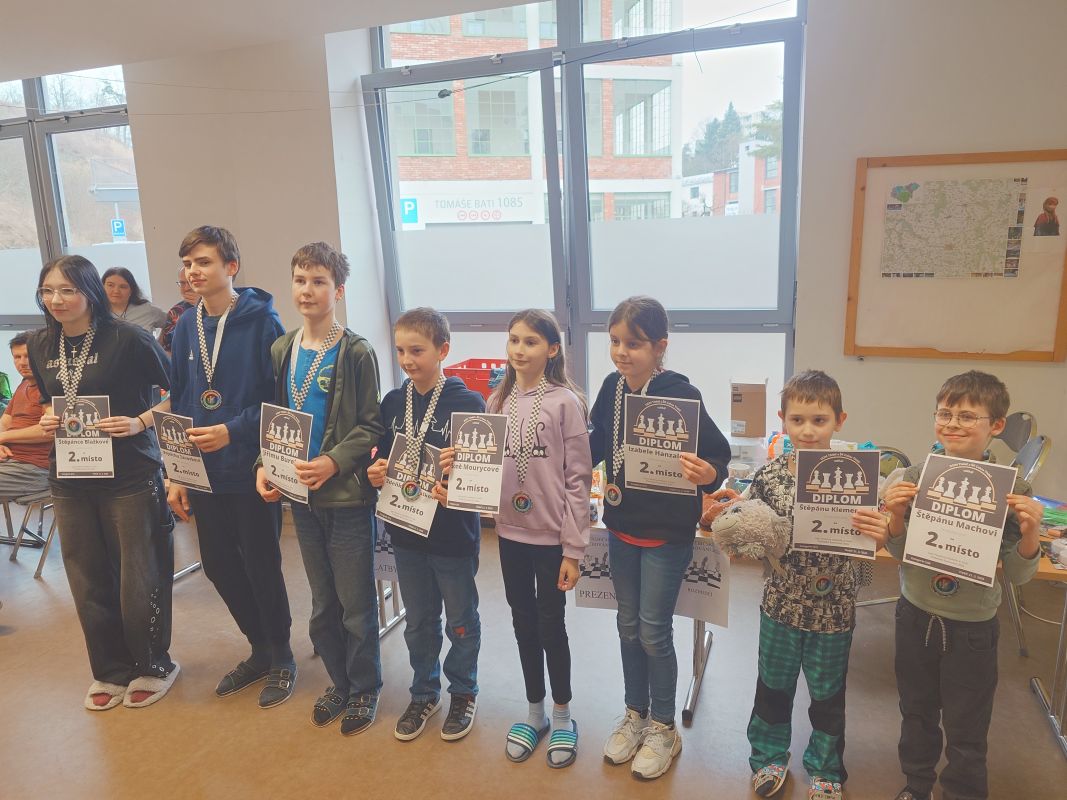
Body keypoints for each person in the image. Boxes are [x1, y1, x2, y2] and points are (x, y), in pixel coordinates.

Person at [872, 371, 1042, 800]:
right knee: (916, 713)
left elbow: (1018, 575)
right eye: (944, 414)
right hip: (914, 615)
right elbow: (899, 551)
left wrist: (1030, 534)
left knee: (968, 726)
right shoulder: (915, 475)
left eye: (967, 416)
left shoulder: (1012, 489)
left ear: (996, 425)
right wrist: (896, 516)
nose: (952, 424)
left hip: (973, 627)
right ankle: (917, 786)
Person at [440, 310, 591, 767]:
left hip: (552, 538)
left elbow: (578, 480)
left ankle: (562, 714)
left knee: (551, 624)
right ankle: (534, 711)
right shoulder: (497, 401)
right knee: (522, 622)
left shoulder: (566, 403)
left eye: (530, 341)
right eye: (513, 340)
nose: (518, 350)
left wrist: (573, 549)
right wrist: (458, 470)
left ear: (552, 349)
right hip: (510, 533)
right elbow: (485, 469)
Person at [588, 295, 730, 780]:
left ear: (660, 346)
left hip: (667, 536)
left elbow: (718, 456)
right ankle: (635, 714)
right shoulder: (611, 389)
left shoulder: (681, 395)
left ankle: (665, 727)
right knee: (627, 626)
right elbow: (592, 445)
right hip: (621, 528)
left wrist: (709, 473)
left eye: (634, 343)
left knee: (653, 630)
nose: (621, 352)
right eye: (614, 341)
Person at [27, 255, 177, 710]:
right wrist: (48, 417)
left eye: (67, 290)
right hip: (70, 476)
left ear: (90, 292)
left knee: (139, 574)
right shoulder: (40, 343)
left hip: (129, 473)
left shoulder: (128, 339)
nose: (56, 299)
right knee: (86, 575)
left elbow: (180, 392)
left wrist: (139, 422)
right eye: (48, 291)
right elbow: (52, 398)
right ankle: (110, 670)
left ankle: (153, 665)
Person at [255, 242, 385, 735]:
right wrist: (264, 464)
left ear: (339, 291)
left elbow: (371, 425)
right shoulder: (282, 349)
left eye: (318, 282)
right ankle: (340, 682)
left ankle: (365, 686)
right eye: (300, 280)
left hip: (346, 498)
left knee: (355, 604)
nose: (307, 291)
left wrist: (333, 461)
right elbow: (274, 420)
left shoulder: (356, 351)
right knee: (322, 603)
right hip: (300, 497)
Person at [166, 225, 295, 709]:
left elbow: (279, 400)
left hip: (249, 465)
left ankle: (282, 655)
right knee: (218, 564)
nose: (193, 272)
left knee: (261, 562)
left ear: (231, 267)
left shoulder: (264, 322)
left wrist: (233, 430)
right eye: (188, 264)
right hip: (202, 469)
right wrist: (176, 471)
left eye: (203, 262)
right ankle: (259, 647)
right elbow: (181, 399)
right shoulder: (185, 325)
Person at [745, 370, 884, 800]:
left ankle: (825, 768)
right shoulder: (769, 476)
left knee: (827, 695)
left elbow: (875, 537)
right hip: (782, 604)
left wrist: (879, 528)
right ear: (782, 420)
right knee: (773, 687)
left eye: (819, 420)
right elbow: (749, 531)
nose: (808, 430)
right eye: (798, 419)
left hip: (834, 608)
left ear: (839, 421)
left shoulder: (859, 478)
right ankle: (768, 758)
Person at [366, 307, 484, 742]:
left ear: (443, 350)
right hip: (406, 531)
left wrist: (458, 473)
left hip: (453, 535)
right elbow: (380, 456)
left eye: (417, 350)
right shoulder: (392, 403)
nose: (407, 360)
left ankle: (464, 691)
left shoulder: (467, 404)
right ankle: (424, 692)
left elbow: (481, 475)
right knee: (418, 620)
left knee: (460, 620)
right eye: (400, 351)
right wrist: (374, 471)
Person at [0, 332, 53, 501]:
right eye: (17, 357)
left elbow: (49, 431)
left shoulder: (52, 387)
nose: (22, 362)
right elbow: (4, 422)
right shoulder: (23, 384)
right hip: (9, 460)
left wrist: (3, 437)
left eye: (28, 356)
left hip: (34, 467)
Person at [101, 267, 168, 332]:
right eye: (110, 285)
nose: (116, 291)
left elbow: (171, 322)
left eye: (123, 287)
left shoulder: (147, 310)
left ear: (131, 291)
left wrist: (159, 339)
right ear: (102, 287)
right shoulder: (97, 313)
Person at [158, 266, 198, 354]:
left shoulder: (217, 307)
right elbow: (162, 344)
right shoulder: (175, 311)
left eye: (190, 282)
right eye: (182, 283)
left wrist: (202, 304)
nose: (186, 288)